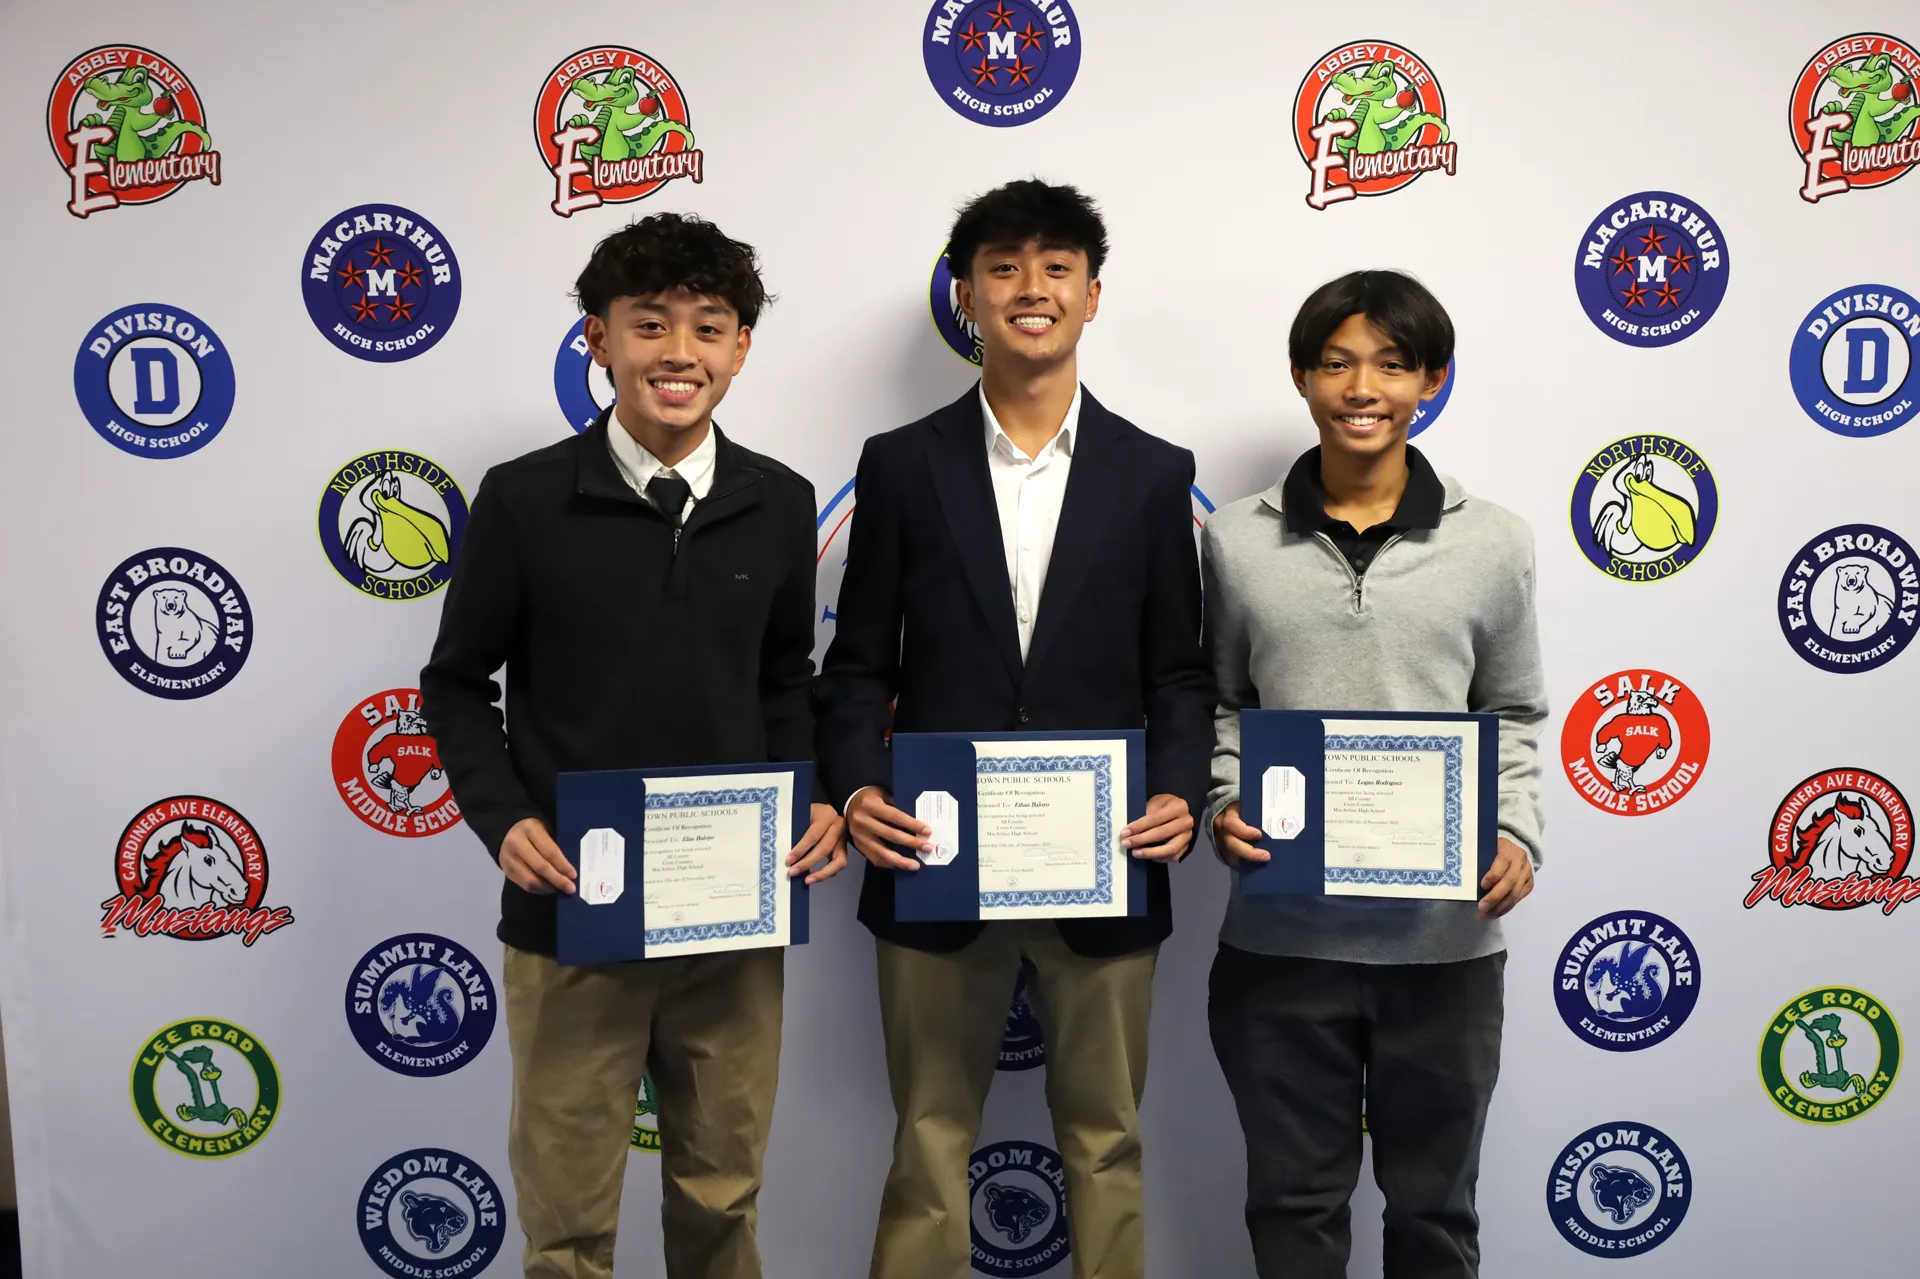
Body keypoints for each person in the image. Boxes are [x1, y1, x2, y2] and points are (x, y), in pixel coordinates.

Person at [419, 212, 847, 1279]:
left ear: (741, 347)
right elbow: (457, 685)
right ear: (598, 339)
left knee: (720, 1196)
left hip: (730, 919)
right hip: (572, 912)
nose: (679, 352)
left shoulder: (779, 501)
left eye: (709, 328)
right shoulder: (524, 499)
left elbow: (783, 682)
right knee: (566, 1220)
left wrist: (814, 799)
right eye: (648, 323)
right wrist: (504, 815)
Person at [814, 179, 1214, 1279]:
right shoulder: (900, 463)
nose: (1030, 287)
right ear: (967, 296)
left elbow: (1178, 671)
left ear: (1092, 296)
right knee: (930, 1138)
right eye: (1003, 266)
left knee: (1106, 1139)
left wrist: (1179, 784)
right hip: (933, 858)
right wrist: (855, 791)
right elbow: (858, 667)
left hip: (1108, 856)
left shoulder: (1152, 471)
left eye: (1055, 269)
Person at [1201, 270, 1546, 1278]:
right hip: (1281, 941)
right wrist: (1226, 796)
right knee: (1293, 1205)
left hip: (1443, 949)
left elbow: (1515, 709)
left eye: (1393, 364)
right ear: (1304, 378)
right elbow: (1222, 701)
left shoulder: (1496, 541)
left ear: (1431, 380)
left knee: (1436, 1212)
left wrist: (1518, 832)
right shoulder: (1234, 538)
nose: (1365, 386)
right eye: (1339, 362)